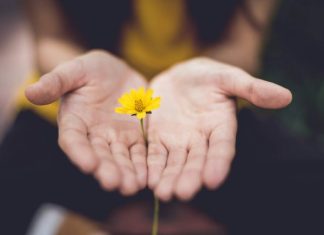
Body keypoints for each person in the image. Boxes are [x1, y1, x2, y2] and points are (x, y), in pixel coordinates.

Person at [1, 0, 323, 234]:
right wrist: (77, 71)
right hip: (84, 109)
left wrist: (203, 73)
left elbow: (242, 46)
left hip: (202, 112)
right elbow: (52, 38)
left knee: (309, 191)